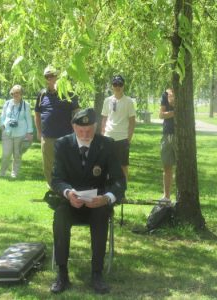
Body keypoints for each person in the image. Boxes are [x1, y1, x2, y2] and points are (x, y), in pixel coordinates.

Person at [50, 108, 126, 294]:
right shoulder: (62, 144)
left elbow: (119, 180)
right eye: (80, 130)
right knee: (59, 216)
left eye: (89, 131)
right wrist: (68, 193)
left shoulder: (107, 144)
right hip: (70, 203)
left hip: (97, 204)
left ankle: (97, 273)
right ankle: (62, 273)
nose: (85, 135)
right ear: (73, 127)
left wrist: (106, 198)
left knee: (101, 215)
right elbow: (56, 179)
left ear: (97, 126)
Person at [34, 65, 80, 188]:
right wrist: (39, 132)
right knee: (48, 165)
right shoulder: (42, 95)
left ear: (58, 76)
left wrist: (77, 133)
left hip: (66, 137)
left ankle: (67, 188)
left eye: (52, 75)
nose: (50, 78)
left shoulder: (69, 93)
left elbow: (76, 113)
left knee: (66, 163)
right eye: (47, 76)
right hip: (47, 137)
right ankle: (53, 188)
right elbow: (37, 114)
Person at [101, 75, 136, 180]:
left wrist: (128, 139)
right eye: (115, 84)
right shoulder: (107, 100)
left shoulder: (129, 101)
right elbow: (104, 119)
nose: (117, 87)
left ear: (123, 86)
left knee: (123, 166)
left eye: (120, 84)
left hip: (122, 138)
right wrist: (103, 136)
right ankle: (108, 192)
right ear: (112, 86)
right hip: (108, 137)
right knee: (107, 166)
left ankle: (122, 192)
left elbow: (132, 122)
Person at [0, 85, 33, 178]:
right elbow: (2, 116)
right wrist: (2, 125)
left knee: (17, 154)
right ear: (11, 93)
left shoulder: (26, 105)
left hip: (21, 132)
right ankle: (2, 172)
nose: (16, 94)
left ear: (21, 94)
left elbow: (29, 119)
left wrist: (29, 133)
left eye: (18, 92)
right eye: (14, 92)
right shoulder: (7, 103)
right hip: (7, 132)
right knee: (6, 154)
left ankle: (14, 173)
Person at [159, 88, 175, 203]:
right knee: (167, 165)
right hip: (167, 133)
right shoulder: (165, 94)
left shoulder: (184, 92)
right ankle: (166, 196)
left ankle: (182, 196)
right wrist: (174, 113)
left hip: (181, 134)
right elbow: (161, 114)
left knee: (182, 167)